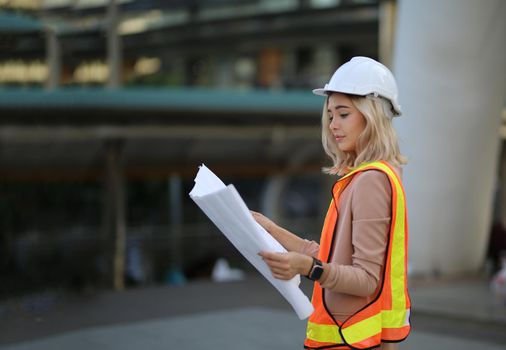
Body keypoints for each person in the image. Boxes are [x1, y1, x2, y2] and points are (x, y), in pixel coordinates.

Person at [253, 56, 411, 350]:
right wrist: (270, 228)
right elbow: (330, 257)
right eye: (330, 115)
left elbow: (366, 280)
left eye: (343, 114)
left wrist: (308, 268)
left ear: (372, 114)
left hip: (350, 341)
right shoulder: (366, 177)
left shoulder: (371, 181)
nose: (333, 125)